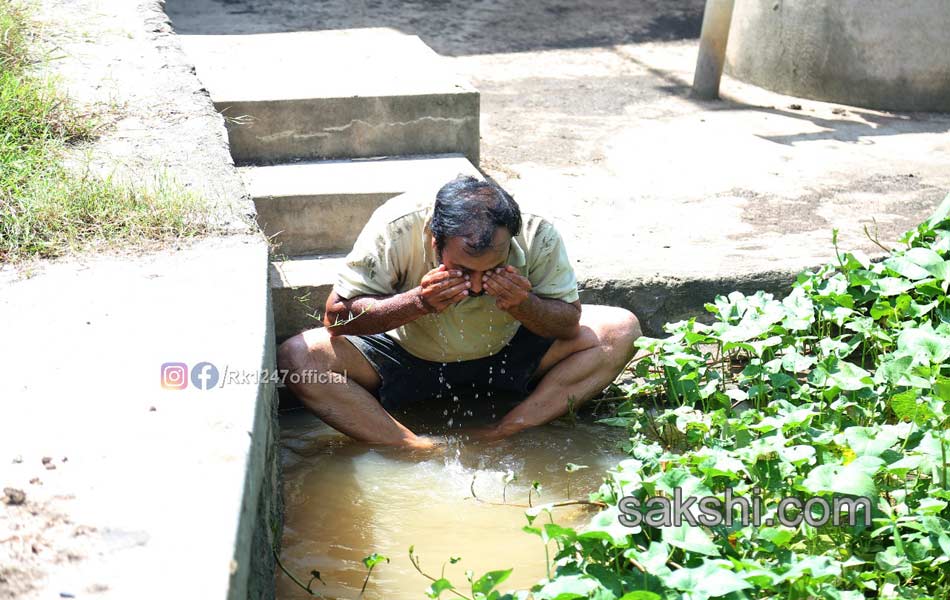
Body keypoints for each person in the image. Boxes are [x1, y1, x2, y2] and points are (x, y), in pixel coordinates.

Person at [277, 175, 641, 448]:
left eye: (493, 269)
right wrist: (418, 302)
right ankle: (411, 446)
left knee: (620, 328)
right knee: (299, 358)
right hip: (403, 357)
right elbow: (336, 317)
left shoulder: (536, 234)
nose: (478, 287)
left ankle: (507, 429)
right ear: (435, 240)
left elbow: (567, 322)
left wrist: (524, 305)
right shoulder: (398, 225)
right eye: (463, 272)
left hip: (508, 355)